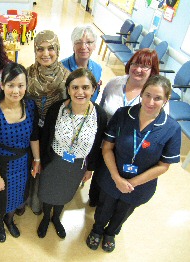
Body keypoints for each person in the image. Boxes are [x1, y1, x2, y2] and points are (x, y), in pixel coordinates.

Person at [86, 75, 181, 252]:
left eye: (158, 98)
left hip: (140, 185)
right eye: (147, 95)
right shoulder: (123, 114)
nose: (151, 102)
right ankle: (97, 230)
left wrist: (132, 183)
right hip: (111, 177)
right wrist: (116, 178)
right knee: (104, 208)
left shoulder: (171, 128)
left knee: (123, 211)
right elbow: (107, 148)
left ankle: (111, 233)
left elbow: (163, 165)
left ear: (166, 100)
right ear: (142, 94)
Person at [37, 68, 107, 239]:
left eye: (85, 87)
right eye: (75, 87)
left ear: (93, 89)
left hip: (78, 165)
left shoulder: (99, 115)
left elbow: (97, 144)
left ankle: (56, 218)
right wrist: (40, 160)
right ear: (68, 89)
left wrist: (90, 168)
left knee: (65, 192)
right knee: (48, 191)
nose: (80, 92)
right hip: (53, 160)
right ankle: (46, 217)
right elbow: (45, 136)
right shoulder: (56, 109)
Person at [88, 48, 160, 208]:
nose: (138, 69)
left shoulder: (154, 95)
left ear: (152, 70)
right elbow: (101, 109)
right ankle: (94, 199)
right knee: (99, 176)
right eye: (135, 63)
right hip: (105, 142)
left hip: (130, 149)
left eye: (145, 66)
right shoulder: (114, 83)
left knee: (119, 185)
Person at [0, 63, 40, 243]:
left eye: (21, 85)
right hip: (2, 166)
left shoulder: (30, 106)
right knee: (1, 199)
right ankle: (0, 222)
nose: (16, 90)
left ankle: (9, 219)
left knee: (19, 195)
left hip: (23, 161)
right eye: (11, 85)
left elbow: (34, 135)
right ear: (3, 86)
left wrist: (37, 159)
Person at [26, 30, 70, 216]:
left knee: (48, 168)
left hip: (54, 134)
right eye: (40, 49)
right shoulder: (27, 74)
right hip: (31, 131)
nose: (45, 54)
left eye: (51, 48)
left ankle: (44, 203)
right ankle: (28, 199)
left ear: (58, 50)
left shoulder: (67, 78)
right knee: (31, 164)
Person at [61, 24, 102, 102]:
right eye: (78, 42)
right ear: (73, 45)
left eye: (89, 42)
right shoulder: (61, 68)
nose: (83, 47)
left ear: (94, 46)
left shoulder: (97, 69)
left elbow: (93, 96)